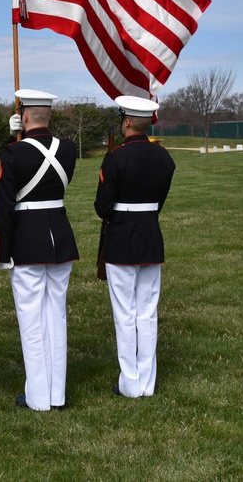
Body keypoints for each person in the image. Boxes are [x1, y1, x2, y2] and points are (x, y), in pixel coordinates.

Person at [0, 89, 80, 411]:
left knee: (31, 320)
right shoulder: (68, 149)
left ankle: (38, 397)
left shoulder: (13, 153)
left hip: (27, 240)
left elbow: (6, 205)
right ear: (50, 115)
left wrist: (1, 250)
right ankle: (56, 394)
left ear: (24, 115)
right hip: (60, 236)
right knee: (55, 316)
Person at [95, 95, 176, 399]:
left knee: (124, 314)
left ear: (126, 122)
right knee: (147, 312)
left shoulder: (116, 158)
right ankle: (147, 382)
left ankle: (130, 384)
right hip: (150, 236)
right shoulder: (164, 157)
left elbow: (102, 207)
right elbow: (159, 203)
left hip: (121, 239)